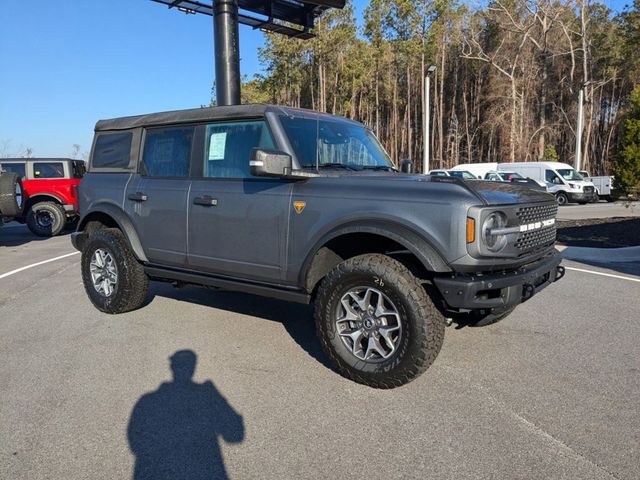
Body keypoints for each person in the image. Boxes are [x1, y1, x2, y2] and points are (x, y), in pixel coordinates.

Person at [127, 350, 244, 480]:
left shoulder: (147, 401)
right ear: (193, 368)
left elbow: (135, 442)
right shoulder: (206, 396)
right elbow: (235, 435)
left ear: (172, 367)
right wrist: (218, 398)